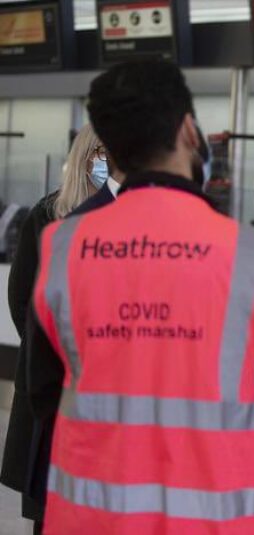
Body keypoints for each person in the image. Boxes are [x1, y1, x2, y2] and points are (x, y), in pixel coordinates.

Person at [24, 60, 254, 534]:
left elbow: (44, 392)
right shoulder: (250, 254)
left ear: (109, 150)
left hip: (93, 520)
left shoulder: (63, 246)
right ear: (189, 130)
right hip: (217, 519)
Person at [0, 124, 106, 535]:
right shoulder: (48, 216)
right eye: (103, 151)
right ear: (85, 155)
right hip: (57, 389)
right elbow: (22, 300)